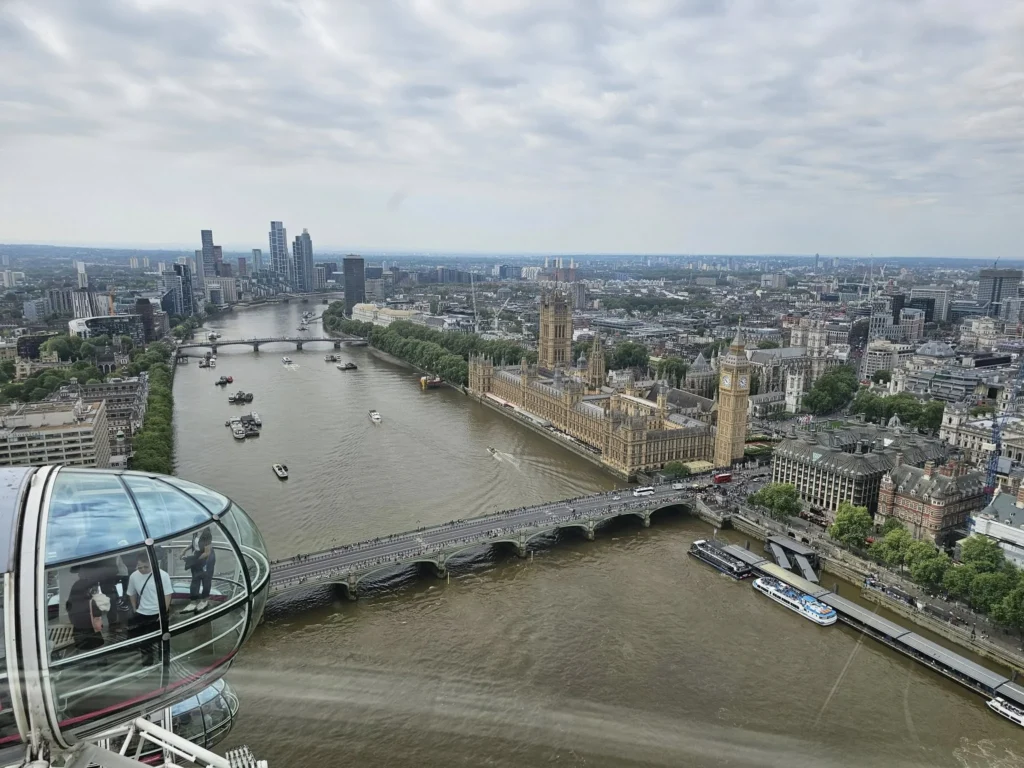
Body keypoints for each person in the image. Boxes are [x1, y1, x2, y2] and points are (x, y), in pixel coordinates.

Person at [127, 556, 171, 667]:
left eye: (145, 567)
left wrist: (163, 612)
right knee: (145, 642)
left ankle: (164, 662)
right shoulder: (134, 576)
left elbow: (167, 594)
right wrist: (134, 608)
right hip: (142, 613)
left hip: (157, 613)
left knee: (162, 640)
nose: (142, 569)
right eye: (139, 567)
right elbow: (131, 592)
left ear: (152, 565)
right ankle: (148, 665)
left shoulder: (163, 575)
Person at [182, 529, 216, 613]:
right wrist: (185, 549)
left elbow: (207, 552)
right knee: (195, 580)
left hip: (206, 560)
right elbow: (195, 543)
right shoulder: (195, 532)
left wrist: (194, 560)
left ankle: (204, 601)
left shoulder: (207, 534)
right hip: (197, 556)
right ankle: (193, 602)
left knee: (206, 580)